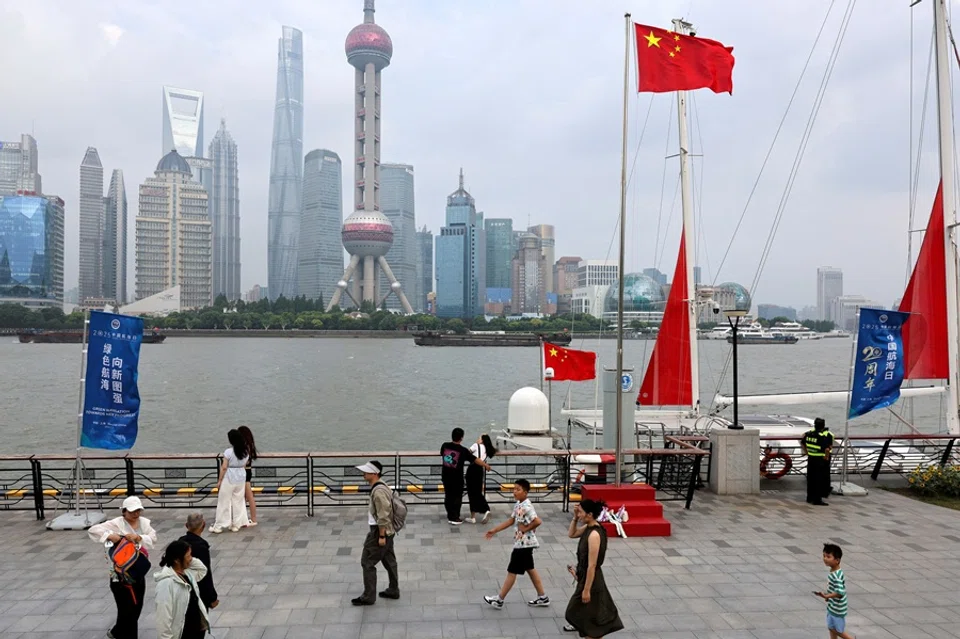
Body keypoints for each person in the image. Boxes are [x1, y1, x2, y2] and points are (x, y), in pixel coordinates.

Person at [88, 496, 158, 639]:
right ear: (124, 511)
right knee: (128, 610)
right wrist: (111, 535)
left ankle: (117, 632)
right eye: (132, 511)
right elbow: (93, 530)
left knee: (136, 608)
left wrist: (139, 538)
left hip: (137, 572)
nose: (135, 514)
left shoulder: (144, 523)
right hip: (119, 576)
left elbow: (153, 538)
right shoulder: (116, 523)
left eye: (138, 511)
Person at [483, 478, 550, 609]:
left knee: (512, 571)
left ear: (525, 492)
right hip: (523, 543)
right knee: (530, 569)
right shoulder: (519, 504)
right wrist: (494, 530)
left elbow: (537, 521)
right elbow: (511, 521)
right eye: (514, 489)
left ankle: (499, 599)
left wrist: (525, 529)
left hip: (523, 545)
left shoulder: (526, 506)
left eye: (518, 489)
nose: (514, 492)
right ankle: (543, 597)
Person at [563, 500, 624, 637]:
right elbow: (572, 534)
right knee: (590, 619)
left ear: (590, 514)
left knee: (577, 614)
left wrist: (586, 590)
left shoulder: (594, 534)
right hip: (585, 577)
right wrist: (575, 517)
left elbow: (592, 565)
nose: (579, 514)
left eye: (581, 512)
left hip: (592, 582)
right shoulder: (589, 527)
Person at [351, 460, 400, 606]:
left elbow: (383, 515)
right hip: (388, 530)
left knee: (367, 562)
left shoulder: (378, 491)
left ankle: (368, 596)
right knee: (389, 560)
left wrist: (381, 536)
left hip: (379, 531)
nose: (363, 474)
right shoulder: (382, 485)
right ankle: (393, 589)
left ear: (375, 473)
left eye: (366, 471)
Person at [154, 539, 211, 639]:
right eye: (188, 556)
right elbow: (163, 617)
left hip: (195, 629)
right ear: (176, 560)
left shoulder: (187, 573)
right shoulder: (166, 584)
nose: (191, 558)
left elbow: (202, 570)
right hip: (182, 633)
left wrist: (188, 559)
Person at [440, 427, 491, 525]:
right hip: (457, 478)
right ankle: (455, 518)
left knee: (448, 496)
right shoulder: (463, 451)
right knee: (457, 497)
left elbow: (443, 454)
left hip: (445, 476)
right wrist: (486, 465)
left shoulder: (444, 446)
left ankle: (450, 516)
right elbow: (475, 459)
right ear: (461, 438)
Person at [178, 513, 219, 612]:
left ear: (186, 525)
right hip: (199, 591)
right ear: (203, 525)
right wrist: (212, 597)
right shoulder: (201, 547)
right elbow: (206, 573)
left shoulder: (180, 542)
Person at [211, 429, 250, 532]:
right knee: (238, 500)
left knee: (224, 501)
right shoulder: (246, 451)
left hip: (229, 477)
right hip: (241, 476)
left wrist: (219, 480)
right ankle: (236, 524)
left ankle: (219, 525)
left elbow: (224, 467)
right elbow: (245, 464)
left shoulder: (228, 452)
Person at [815, 543, 854, 639]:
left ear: (837, 560)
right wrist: (828, 597)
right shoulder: (834, 571)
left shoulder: (835, 575)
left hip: (838, 608)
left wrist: (826, 596)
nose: (825, 558)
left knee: (834, 629)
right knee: (832, 627)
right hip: (833, 606)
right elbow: (834, 588)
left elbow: (840, 592)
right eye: (824, 556)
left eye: (828, 557)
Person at [801, 417, 834, 506]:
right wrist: (826, 458)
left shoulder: (809, 434)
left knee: (811, 479)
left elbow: (802, 442)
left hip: (811, 459)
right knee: (820, 479)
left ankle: (809, 498)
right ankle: (817, 500)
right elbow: (827, 449)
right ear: (823, 425)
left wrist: (807, 453)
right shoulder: (824, 435)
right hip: (821, 460)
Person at [466, 433, 497, 524]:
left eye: (479, 437)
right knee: (477, 491)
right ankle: (474, 516)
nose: (478, 438)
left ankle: (484, 510)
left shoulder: (476, 445)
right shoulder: (488, 449)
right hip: (480, 470)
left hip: (472, 469)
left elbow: (468, 453)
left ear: (482, 440)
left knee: (472, 493)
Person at [238, 425, 259, 527]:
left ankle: (253, 519)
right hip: (247, 472)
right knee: (244, 496)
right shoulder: (249, 445)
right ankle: (244, 518)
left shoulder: (245, 447)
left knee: (249, 496)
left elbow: (244, 462)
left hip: (245, 472)